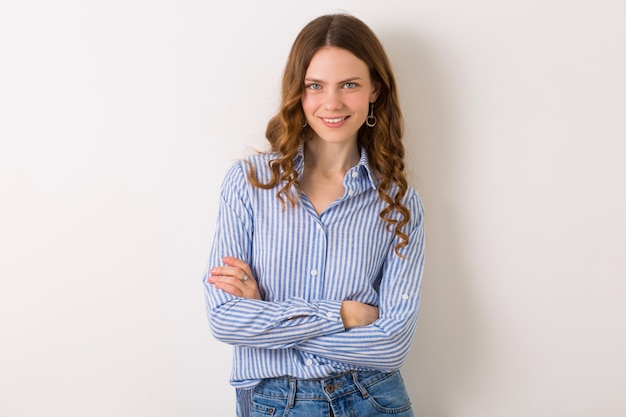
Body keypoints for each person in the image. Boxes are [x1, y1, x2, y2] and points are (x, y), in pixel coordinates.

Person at [203, 13, 425, 417]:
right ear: (298, 92)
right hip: (274, 400)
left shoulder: (399, 203)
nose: (332, 102)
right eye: (315, 86)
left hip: (372, 397)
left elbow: (392, 343)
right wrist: (343, 314)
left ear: (374, 89)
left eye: (350, 85)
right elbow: (225, 318)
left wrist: (268, 318)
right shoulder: (249, 183)